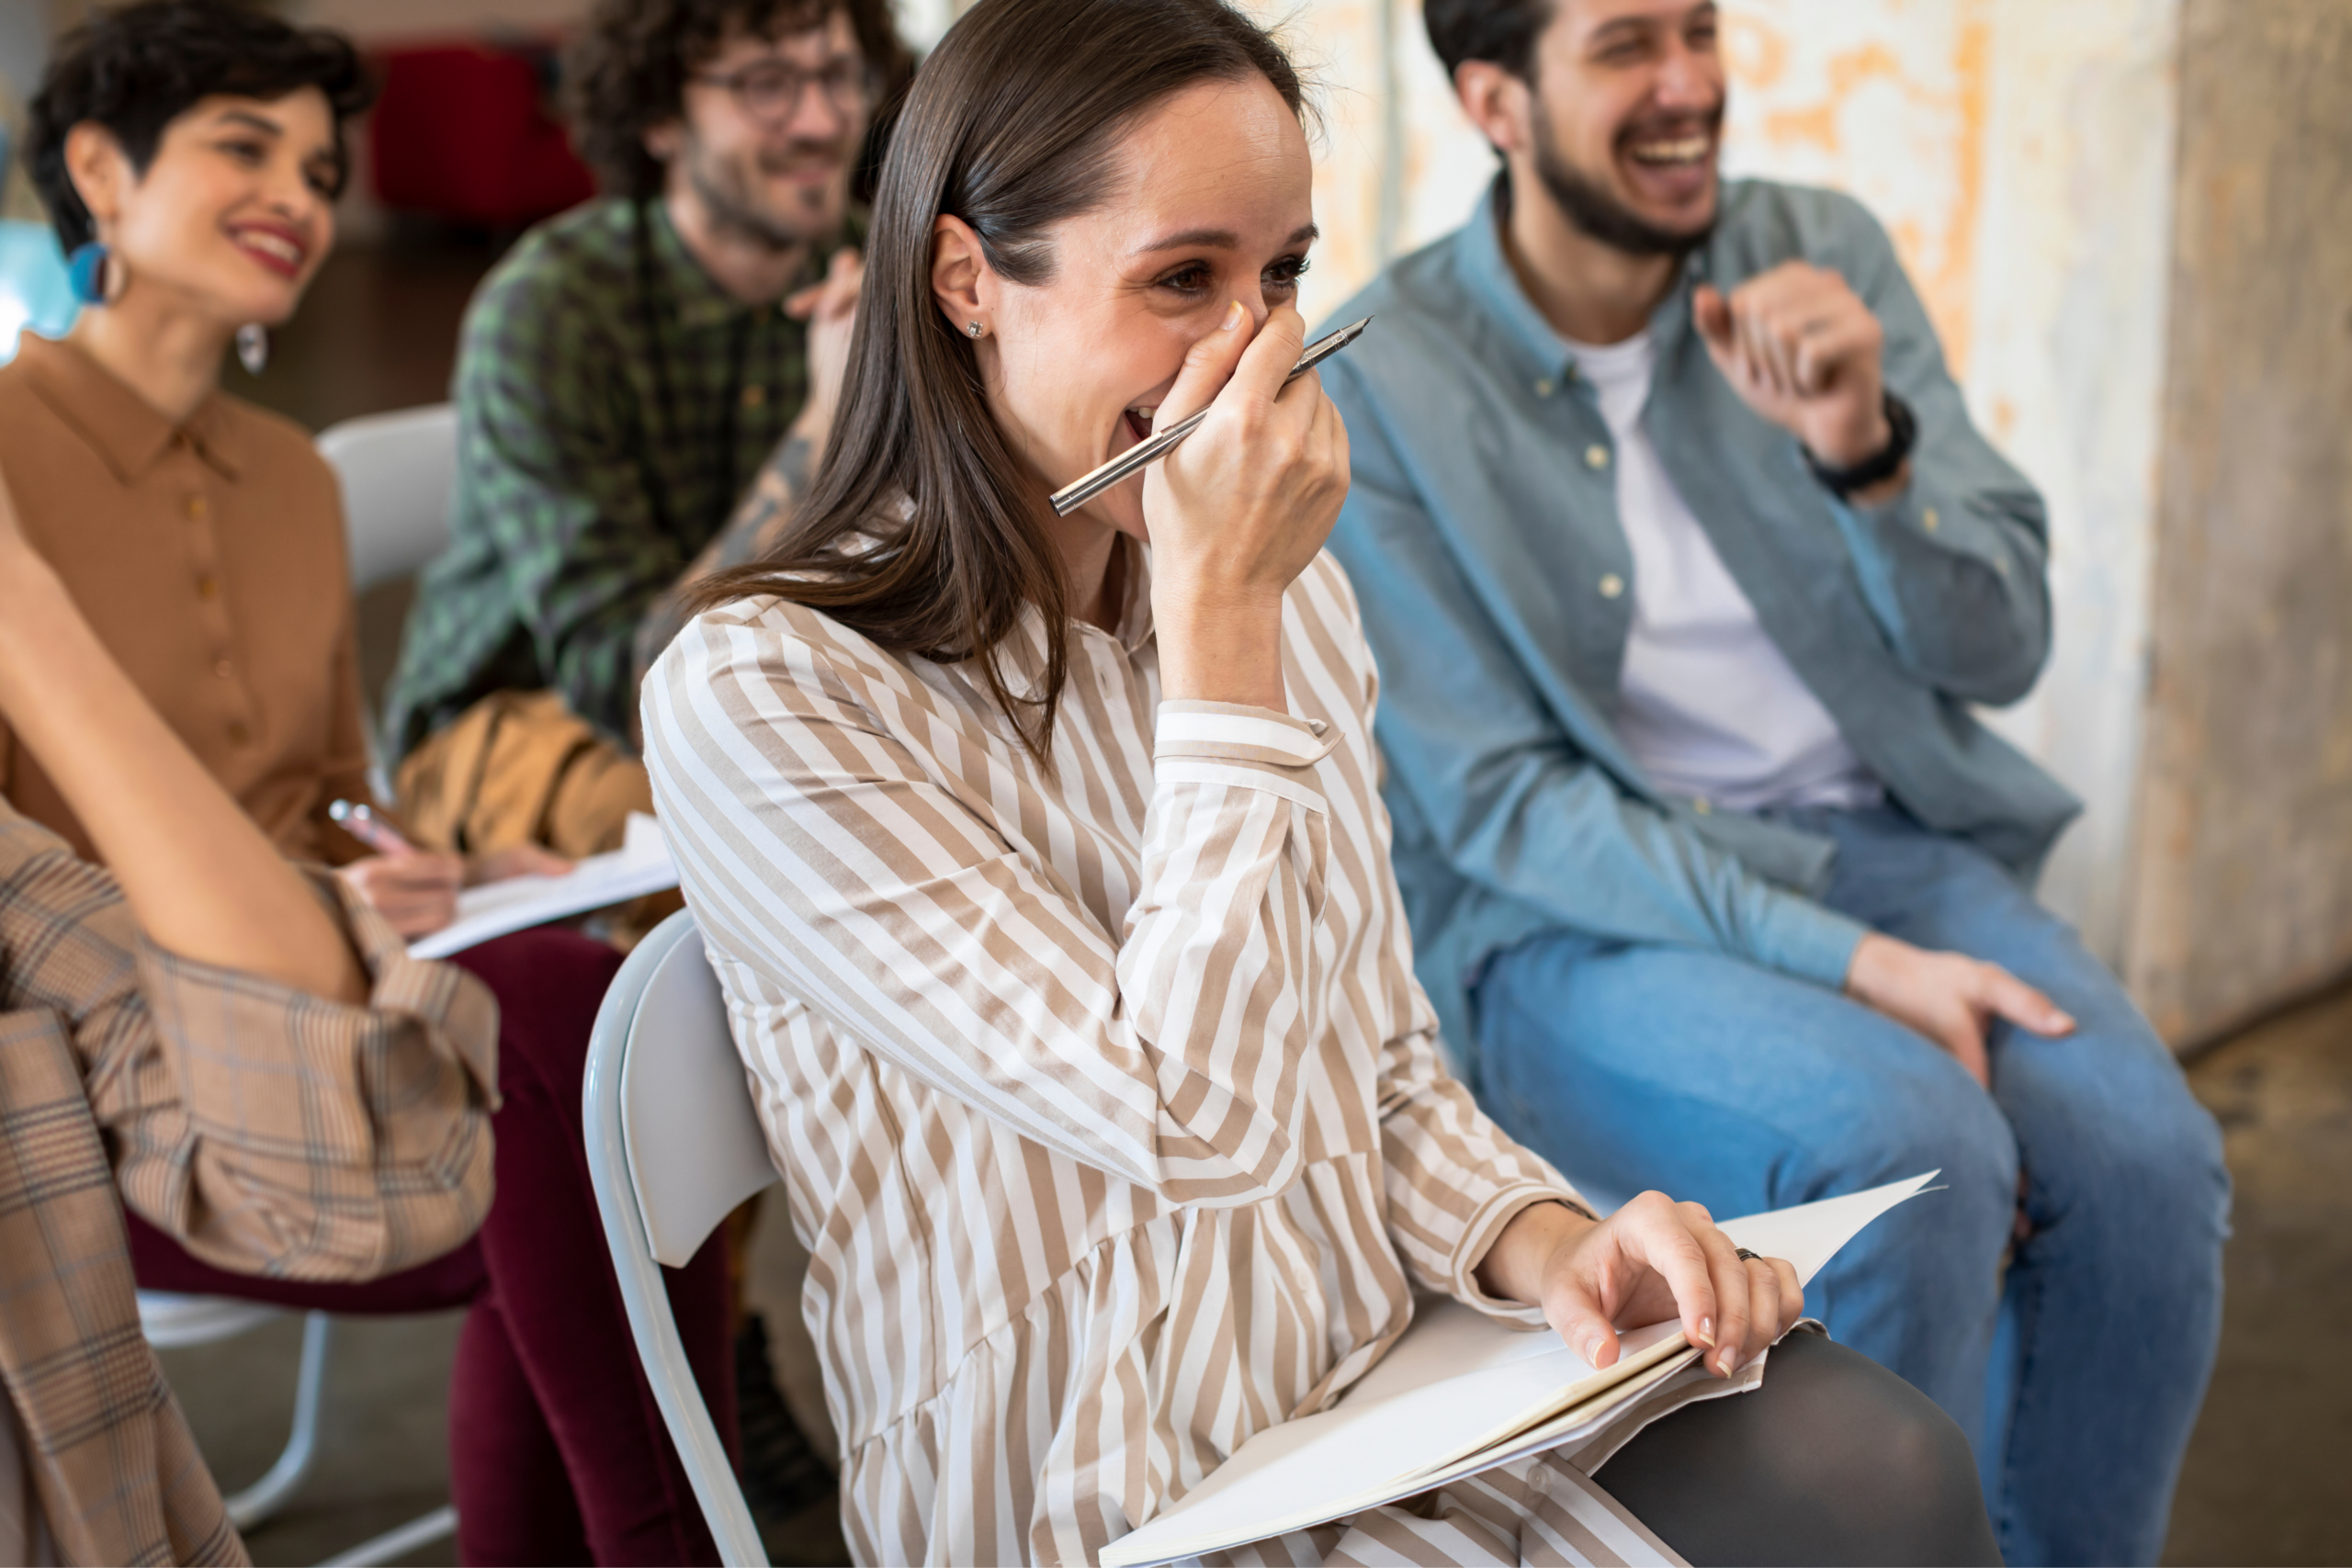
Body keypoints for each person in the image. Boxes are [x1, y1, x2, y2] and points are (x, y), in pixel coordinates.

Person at [639, 0, 2005, 1563]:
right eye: (1182, 279)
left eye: (1283, 274)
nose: (1259, 348)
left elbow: (1376, 1065)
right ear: (969, 282)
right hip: (1115, 1494)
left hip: (1375, 1382)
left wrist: (1554, 1237)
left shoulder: (1286, 596)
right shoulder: (770, 695)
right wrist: (1228, 631)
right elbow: (1185, 1125)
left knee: (1885, 1463)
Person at [1306, 2, 2231, 1564]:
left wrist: (1863, 447)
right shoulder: (1386, 378)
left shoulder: (1822, 253)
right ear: (1495, 101)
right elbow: (1507, 807)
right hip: (1576, 917)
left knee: (2151, 1171)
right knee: (1905, 1153)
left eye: (1699, 28)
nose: (1689, 86)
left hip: (1883, 845)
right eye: (1623, 46)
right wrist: (1856, 967)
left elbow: (2000, 647)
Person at [4, 6, 734, 1562]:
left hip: (326, 997)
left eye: (324, 166)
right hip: (110, 1083)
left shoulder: (289, 480)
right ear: (95, 169)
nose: (301, 195)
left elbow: (330, 797)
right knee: (577, 1085)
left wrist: (424, 871)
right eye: (244, 147)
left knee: (614, 1025)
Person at [0, 475, 497, 1567]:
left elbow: (337, 802)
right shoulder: (33, 437)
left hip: (248, 1007)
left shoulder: (288, 474)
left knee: (561, 1009)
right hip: (160, 1119)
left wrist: (22, 608)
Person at [379, 0, 910, 863]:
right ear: (661, 115)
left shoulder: (882, 272)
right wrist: (827, 420)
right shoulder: (551, 310)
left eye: (839, 76)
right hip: (523, 714)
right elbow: (635, 694)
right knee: (731, 854)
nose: (821, 121)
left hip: (786, 699)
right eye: (767, 85)